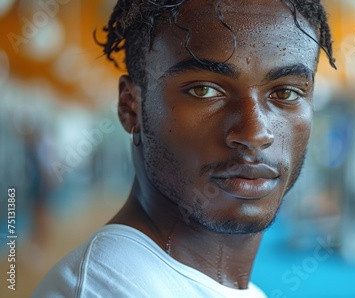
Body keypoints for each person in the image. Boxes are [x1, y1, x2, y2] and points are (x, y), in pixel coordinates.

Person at [34, 0, 336, 296]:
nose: (255, 133)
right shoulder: (105, 288)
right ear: (131, 107)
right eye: (204, 90)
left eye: (286, 92)